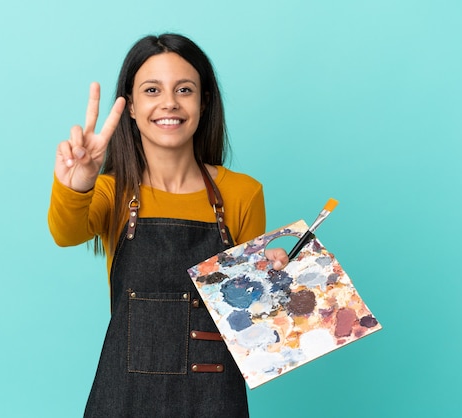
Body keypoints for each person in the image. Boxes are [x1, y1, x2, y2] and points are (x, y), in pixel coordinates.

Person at [48, 33, 288, 418]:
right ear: (130, 106)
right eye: (152, 89)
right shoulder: (112, 191)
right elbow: (66, 233)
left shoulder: (243, 193)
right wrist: (77, 185)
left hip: (214, 400)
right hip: (124, 399)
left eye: (185, 89)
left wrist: (273, 281)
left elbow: (250, 326)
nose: (169, 103)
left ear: (204, 101)